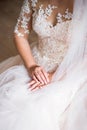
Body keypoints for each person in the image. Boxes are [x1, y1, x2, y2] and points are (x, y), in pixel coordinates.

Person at [0, 0, 87, 130]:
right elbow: (20, 34)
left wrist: (53, 76)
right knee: (11, 98)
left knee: (36, 111)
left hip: (71, 70)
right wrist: (31, 66)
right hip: (35, 61)